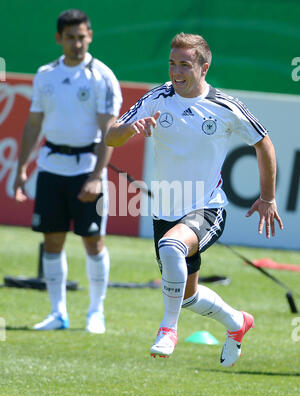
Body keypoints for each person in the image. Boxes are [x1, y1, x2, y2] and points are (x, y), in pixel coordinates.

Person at [105, 32, 283, 366]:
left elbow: (264, 144)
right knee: (185, 295)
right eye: (172, 63)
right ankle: (236, 322)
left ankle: (167, 330)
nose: (176, 71)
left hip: (207, 208)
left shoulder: (225, 107)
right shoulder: (157, 98)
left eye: (185, 64)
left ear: (204, 66)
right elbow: (112, 136)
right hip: (166, 209)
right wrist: (132, 129)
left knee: (172, 248)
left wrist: (268, 197)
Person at [13, 9, 122, 333]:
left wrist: (95, 177)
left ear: (90, 35)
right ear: (59, 39)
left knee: (93, 240)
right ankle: (58, 313)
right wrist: (22, 167)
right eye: (71, 37)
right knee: (52, 241)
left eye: (83, 36)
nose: (78, 43)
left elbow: (110, 132)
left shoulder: (102, 76)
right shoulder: (45, 74)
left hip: (87, 168)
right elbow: (34, 124)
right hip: (50, 167)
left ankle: (96, 312)